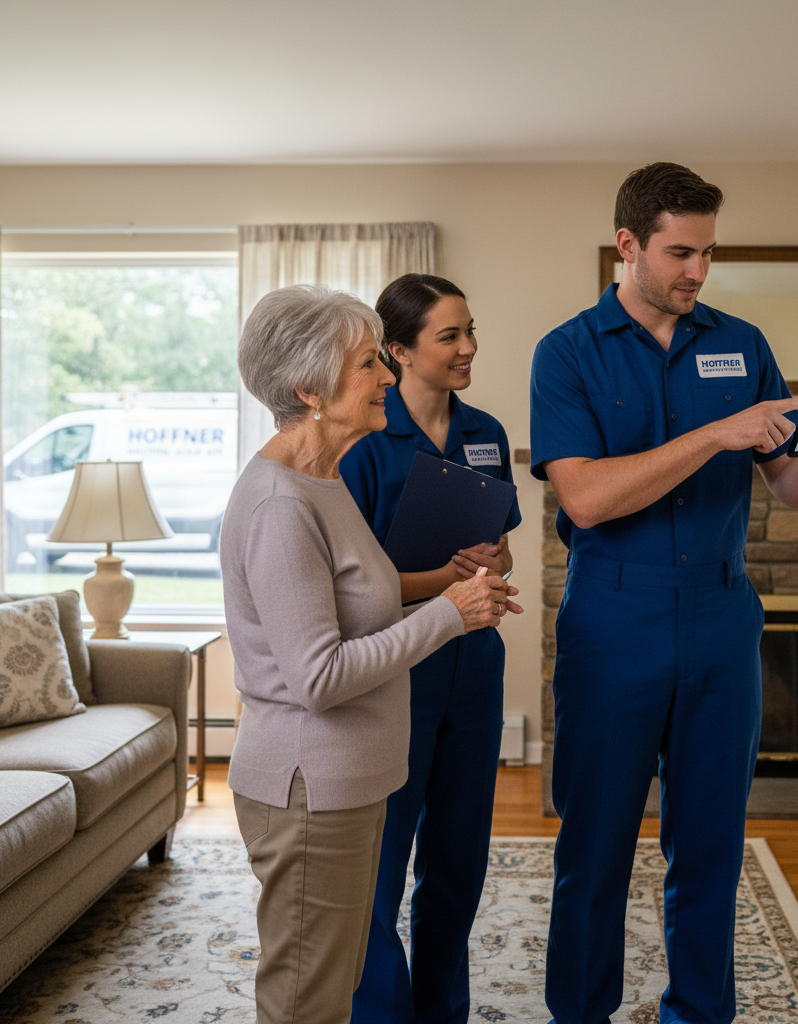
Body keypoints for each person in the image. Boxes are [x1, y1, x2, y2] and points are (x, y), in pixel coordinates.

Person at [529, 163, 798, 1024]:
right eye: (680, 252)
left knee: (709, 848)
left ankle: (700, 1015)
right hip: (614, 616)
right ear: (629, 245)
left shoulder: (740, 342)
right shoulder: (565, 352)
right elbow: (588, 499)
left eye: (709, 252)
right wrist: (717, 433)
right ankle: (581, 1015)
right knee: (595, 849)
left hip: (720, 615)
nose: (697, 272)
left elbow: (790, 486)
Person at [220, 284, 519, 1024]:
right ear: (309, 389)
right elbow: (318, 676)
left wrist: (458, 601)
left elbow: (356, 615)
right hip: (308, 784)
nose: (388, 375)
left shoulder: (320, 486)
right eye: (367, 364)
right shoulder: (283, 504)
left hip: (345, 780)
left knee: (330, 988)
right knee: (304, 1001)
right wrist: (448, 612)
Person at [339, 273, 522, 1024]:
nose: (469, 348)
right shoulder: (364, 444)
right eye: (450, 336)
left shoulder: (487, 432)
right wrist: (446, 581)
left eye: (470, 331)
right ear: (399, 350)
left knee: (457, 863)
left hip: (474, 667)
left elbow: (502, 551)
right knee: (381, 870)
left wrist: (487, 569)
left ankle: (443, 1011)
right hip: (395, 671)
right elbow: (354, 586)